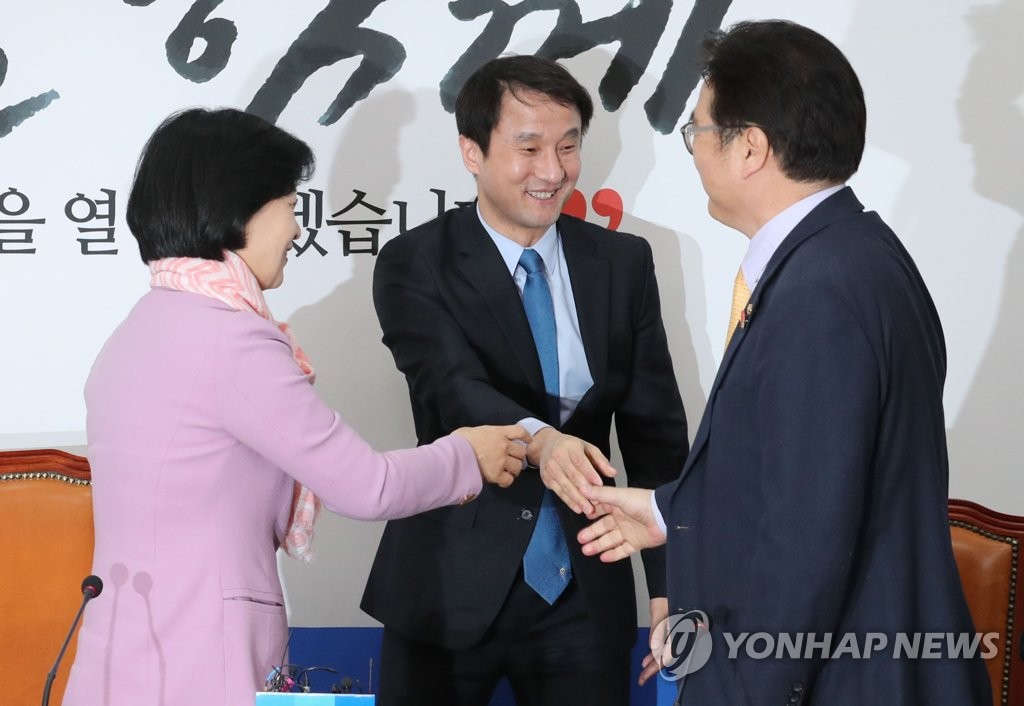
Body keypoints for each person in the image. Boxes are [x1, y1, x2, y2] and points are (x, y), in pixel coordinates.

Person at [577, 19, 993, 706]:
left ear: (750, 147)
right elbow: (798, 475)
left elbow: (807, 539)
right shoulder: (853, 254)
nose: (693, 149)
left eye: (697, 130)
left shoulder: (820, 291)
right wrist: (666, 510)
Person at [61, 107, 530, 706]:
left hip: (119, 668)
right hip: (201, 665)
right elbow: (366, 486)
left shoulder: (136, 331)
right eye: (288, 204)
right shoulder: (230, 340)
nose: (297, 228)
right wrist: (467, 455)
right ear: (238, 211)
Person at [360, 55, 689, 706]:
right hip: (449, 582)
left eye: (568, 146)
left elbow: (655, 432)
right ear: (471, 151)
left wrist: (669, 583)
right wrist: (542, 442)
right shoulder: (416, 262)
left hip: (584, 584)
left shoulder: (622, 263)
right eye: (529, 147)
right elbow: (452, 387)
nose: (553, 171)